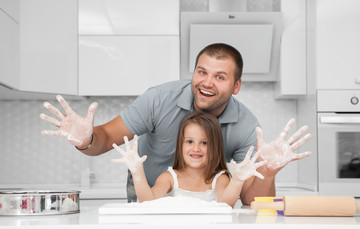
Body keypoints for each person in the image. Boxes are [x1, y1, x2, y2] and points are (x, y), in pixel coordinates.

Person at [40, 43, 311, 205]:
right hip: (151, 187)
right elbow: (105, 137)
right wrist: (86, 139)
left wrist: (270, 171)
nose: (206, 82)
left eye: (220, 77)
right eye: (202, 72)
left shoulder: (246, 127)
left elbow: (251, 201)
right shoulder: (159, 99)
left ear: (236, 86)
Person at [112, 112, 265, 207]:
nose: (196, 148)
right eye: (189, 141)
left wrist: (238, 180)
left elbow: (226, 204)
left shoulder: (219, 179)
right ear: (181, 145)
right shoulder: (169, 178)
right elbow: (148, 202)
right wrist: (137, 172)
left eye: (204, 143)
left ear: (215, 148)